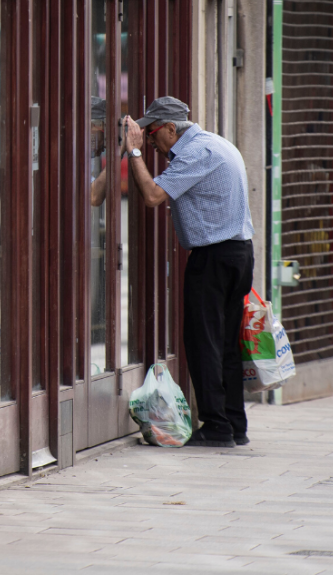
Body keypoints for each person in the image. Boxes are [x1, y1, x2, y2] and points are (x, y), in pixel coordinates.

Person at [123, 96, 254, 448]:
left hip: (214, 257)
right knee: (225, 343)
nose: (148, 141)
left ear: (170, 129)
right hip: (237, 253)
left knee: (203, 343)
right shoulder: (215, 143)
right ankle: (233, 424)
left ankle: (216, 426)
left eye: (151, 134)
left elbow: (152, 195)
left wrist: (133, 153)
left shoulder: (197, 153)